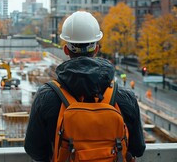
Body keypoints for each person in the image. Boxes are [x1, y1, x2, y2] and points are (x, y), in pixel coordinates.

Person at [24, 11, 145, 161]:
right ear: (96, 49)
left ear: (66, 50)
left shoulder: (46, 96)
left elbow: (33, 149)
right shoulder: (125, 97)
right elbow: (138, 149)